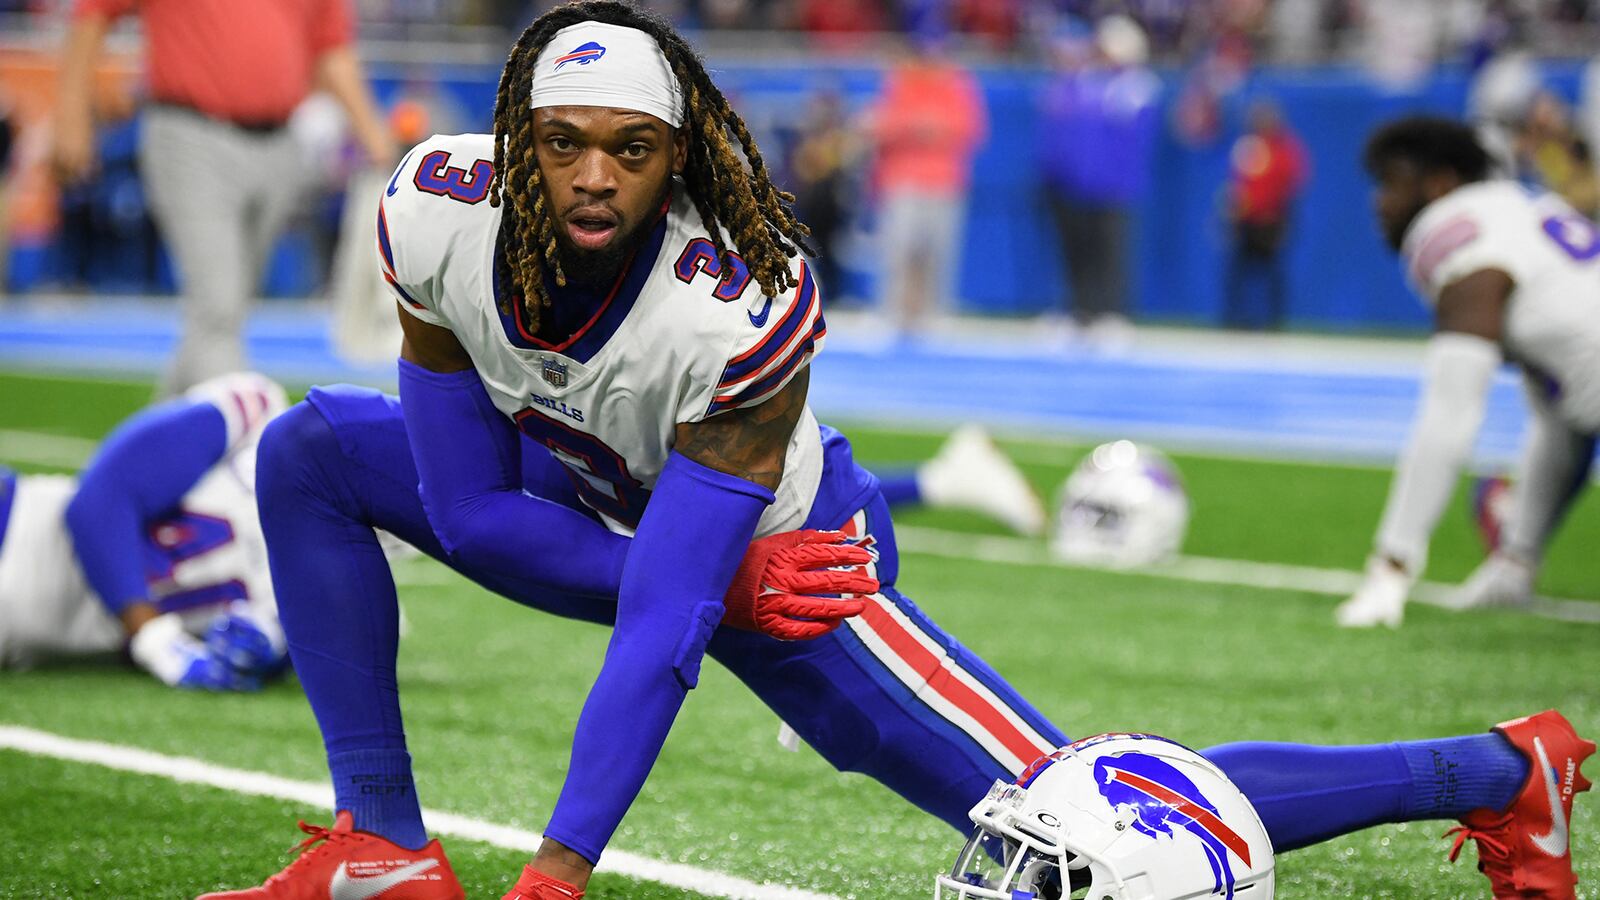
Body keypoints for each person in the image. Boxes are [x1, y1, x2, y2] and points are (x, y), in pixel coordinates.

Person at [207, 7, 1593, 899]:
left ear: (681, 162)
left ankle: (1497, 768)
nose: (589, 177)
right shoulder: (434, 211)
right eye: (561, 143)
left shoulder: (735, 303)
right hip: (608, 519)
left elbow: (664, 628)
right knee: (313, 454)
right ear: (513, 142)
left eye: (631, 151)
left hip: (789, 556)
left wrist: (559, 870)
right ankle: (380, 844)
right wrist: (685, 593)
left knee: (1089, 822)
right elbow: (468, 505)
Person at [51, 0, 396, 396]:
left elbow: (331, 47)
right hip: (189, 132)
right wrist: (71, 113)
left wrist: (372, 132)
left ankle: (163, 442)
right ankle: (236, 442)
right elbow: (94, 13)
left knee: (220, 315)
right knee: (218, 306)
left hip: (280, 142)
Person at [1337, 115, 1600, 629]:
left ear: (1439, 184)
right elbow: (1566, 414)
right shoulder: (1525, 208)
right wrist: (1516, 558)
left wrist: (1392, 564)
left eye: (1391, 181)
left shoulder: (1456, 232)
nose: (1379, 201)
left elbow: (1451, 413)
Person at [0, 372, 290, 690]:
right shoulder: (261, 420)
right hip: (18, 527)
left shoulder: (335, 594)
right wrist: (155, 638)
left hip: (25, 636)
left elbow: (263, 651)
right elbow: (99, 503)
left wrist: (265, 652)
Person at [1037, 15, 1160, 347]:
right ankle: (1080, 312)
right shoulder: (1081, 82)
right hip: (1075, 185)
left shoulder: (1134, 85)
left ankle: (1111, 314)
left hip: (1113, 185)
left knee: (1110, 253)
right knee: (1077, 252)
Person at [866, 28, 987, 339]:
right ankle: (893, 312)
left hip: (944, 180)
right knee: (899, 248)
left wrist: (923, 127)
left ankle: (932, 314)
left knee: (938, 252)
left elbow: (969, 128)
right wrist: (921, 126)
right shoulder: (901, 82)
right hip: (902, 178)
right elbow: (883, 124)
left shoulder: (958, 84)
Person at [1222, 99, 1308, 331]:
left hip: (1272, 219)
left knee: (1272, 272)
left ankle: (1273, 321)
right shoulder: (1247, 146)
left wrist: (1280, 216)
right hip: (1246, 219)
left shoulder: (1286, 148)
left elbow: (1292, 185)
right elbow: (1237, 185)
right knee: (1238, 271)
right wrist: (1231, 212)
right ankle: (1235, 319)